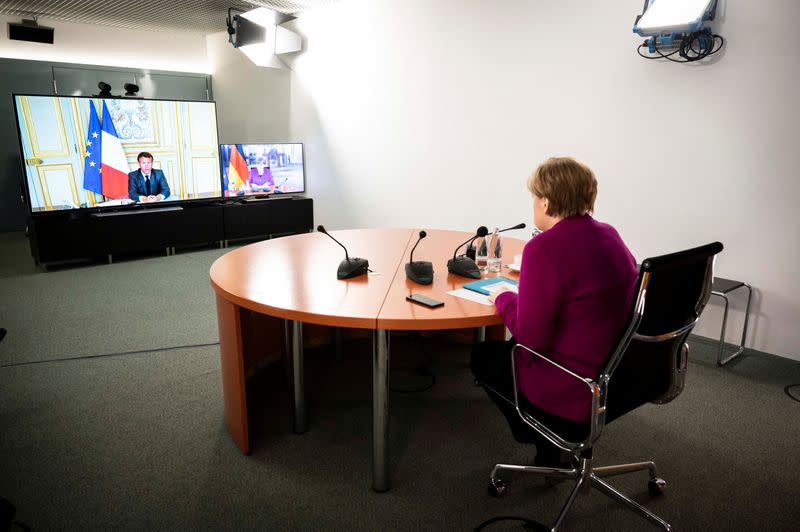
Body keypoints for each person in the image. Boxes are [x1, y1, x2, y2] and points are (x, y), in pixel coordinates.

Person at [471, 156, 638, 467]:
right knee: (509, 348)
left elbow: (531, 338)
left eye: (534, 196)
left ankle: (546, 439)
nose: (533, 203)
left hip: (573, 385)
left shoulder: (543, 250)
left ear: (546, 202)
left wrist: (504, 297)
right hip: (619, 373)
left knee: (484, 357)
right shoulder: (609, 235)